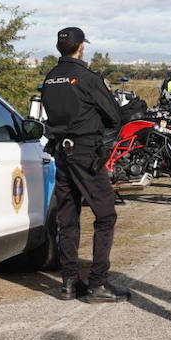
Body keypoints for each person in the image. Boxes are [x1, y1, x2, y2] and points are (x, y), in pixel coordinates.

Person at [40, 26, 130, 303]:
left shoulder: (50, 77)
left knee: (68, 217)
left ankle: (69, 282)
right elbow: (114, 116)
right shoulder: (87, 77)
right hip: (85, 153)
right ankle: (98, 284)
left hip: (61, 154)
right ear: (81, 47)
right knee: (105, 215)